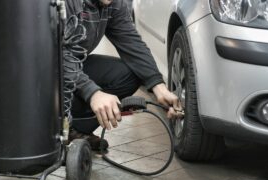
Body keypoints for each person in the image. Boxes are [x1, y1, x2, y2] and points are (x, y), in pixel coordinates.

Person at [65, 0, 182, 150]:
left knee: (130, 74)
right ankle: (48, 127)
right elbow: (52, 55)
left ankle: (74, 130)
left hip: (72, 65)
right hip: (40, 73)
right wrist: (92, 92)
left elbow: (131, 42)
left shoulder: (112, 3)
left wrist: (159, 87)